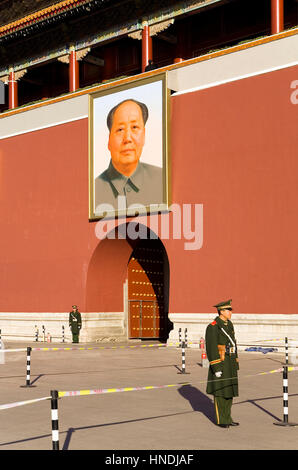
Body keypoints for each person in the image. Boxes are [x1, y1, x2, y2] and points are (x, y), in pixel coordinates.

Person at [94, 99, 163, 211]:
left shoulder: (163, 180)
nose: (127, 138)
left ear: (144, 135)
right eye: (120, 130)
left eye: (134, 127)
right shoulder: (93, 191)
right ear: (109, 140)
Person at [205, 299, 239, 428]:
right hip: (221, 362)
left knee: (229, 391)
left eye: (230, 310)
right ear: (221, 311)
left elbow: (234, 344)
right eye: (228, 310)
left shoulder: (229, 325)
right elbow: (211, 347)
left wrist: (236, 362)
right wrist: (216, 366)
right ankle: (221, 420)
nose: (230, 312)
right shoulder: (213, 326)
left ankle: (228, 417)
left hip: (229, 362)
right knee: (220, 392)